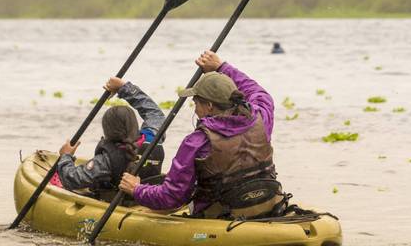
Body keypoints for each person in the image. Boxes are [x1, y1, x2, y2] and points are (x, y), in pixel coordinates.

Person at [118, 51, 287, 219]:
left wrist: (136, 189)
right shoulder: (260, 117)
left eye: (196, 102)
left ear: (209, 106)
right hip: (268, 204)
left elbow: (172, 197)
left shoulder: (197, 142)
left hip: (222, 215)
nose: (195, 109)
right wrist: (221, 67)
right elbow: (258, 92)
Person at [54, 77, 166, 201]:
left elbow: (72, 179)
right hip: (147, 199)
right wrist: (124, 87)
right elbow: (154, 113)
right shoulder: (154, 138)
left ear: (107, 130)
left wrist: (66, 156)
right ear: (134, 124)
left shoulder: (106, 159)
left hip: (119, 205)